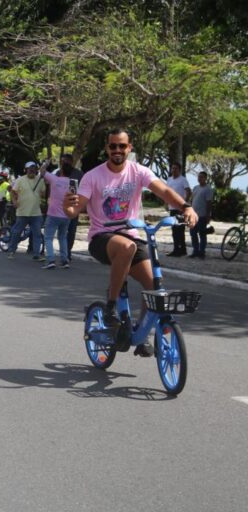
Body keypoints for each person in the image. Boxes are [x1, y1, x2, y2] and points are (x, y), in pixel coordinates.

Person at [63, 129, 197, 356]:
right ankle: (111, 307)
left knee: (155, 290)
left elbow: (164, 190)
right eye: (113, 146)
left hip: (132, 235)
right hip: (101, 237)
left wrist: (186, 207)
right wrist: (68, 207)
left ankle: (142, 333)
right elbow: (76, 208)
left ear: (129, 148)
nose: (117, 150)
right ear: (107, 148)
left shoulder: (138, 172)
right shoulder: (92, 176)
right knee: (126, 247)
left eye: (122, 146)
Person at [6, 162, 45, 260]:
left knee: (37, 234)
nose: (32, 170)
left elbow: (43, 193)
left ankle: (36, 254)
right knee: (17, 232)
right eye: (29, 168)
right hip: (22, 212)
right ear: (26, 170)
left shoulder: (40, 180)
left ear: (36, 170)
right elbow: (13, 192)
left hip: (36, 213)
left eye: (33, 168)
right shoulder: (20, 180)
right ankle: (11, 251)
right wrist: (14, 201)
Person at [40, 162, 71, 269]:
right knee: (62, 237)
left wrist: (45, 163)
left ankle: (51, 260)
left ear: (61, 171)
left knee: (48, 237)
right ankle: (64, 260)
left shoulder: (54, 179)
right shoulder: (72, 183)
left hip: (53, 214)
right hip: (67, 214)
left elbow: (42, 171)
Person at [54, 154, 84, 261]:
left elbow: (84, 190)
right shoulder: (58, 173)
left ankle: (67, 252)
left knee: (71, 230)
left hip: (73, 206)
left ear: (71, 162)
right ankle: (63, 252)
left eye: (66, 162)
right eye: (62, 162)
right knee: (61, 231)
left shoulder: (79, 174)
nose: (64, 164)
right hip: (59, 207)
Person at [165, 162, 191, 257]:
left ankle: (182, 249)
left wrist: (184, 204)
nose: (173, 170)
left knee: (180, 229)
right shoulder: (169, 179)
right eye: (172, 168)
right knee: (174, 230)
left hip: (180, 208)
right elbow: (166, 192)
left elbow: (188, 191)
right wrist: (166, 202)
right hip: (172, 207)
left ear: (179, 170)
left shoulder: (183, 180)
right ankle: (176, 249)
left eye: (176, 168)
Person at [189, 171, 213, 259]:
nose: (200, 178)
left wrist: (208, 215)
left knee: (202, 234)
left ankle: (202, 252)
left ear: (206, 178)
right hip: (193, 215)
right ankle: (195, 251)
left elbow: (209, 203)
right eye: (199, 177)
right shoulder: (195, 188)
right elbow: (192, 200)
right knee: (193, 234)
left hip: (202, 216)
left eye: (202, 177)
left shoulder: (208, 189)